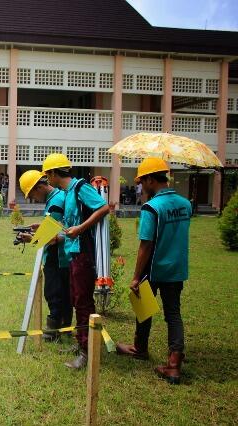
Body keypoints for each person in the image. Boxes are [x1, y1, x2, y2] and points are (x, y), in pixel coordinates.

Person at [115, 158, 191, 385]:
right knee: (173, 315)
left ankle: (140, 348)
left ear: (150, 179)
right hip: (177, 268)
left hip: (154, 268)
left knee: (143, 307)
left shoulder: (151, 207)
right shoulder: (185, 204)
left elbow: (145, 245)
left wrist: (136, 276)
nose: (141, 186)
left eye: (142, 181)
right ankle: (174, 365)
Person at [42, 153, 109, 369]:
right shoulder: (67, 193)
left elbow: (103, 208)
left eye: (47, 175)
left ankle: (86, 351)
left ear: (53, 173)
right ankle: (81, 344)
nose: (47, 180)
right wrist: (40, 228)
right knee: (75, 298)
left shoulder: (80, 187)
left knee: (82, 302)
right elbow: (68, 225)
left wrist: (81, 228)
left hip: (83, 253)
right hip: (73, 253)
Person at [18, 170, 72, 341]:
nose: (33, 198)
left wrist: (30, 239)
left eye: (32, 194)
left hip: (57, 255)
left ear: (39, 187)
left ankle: (52, 332)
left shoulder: (55, 201)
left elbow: (52, 236)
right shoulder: (58, 197)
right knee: (64, 293)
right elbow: (57, 226)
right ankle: (65, 328)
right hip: (63, 254)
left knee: (54, 292)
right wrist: (41, 226)